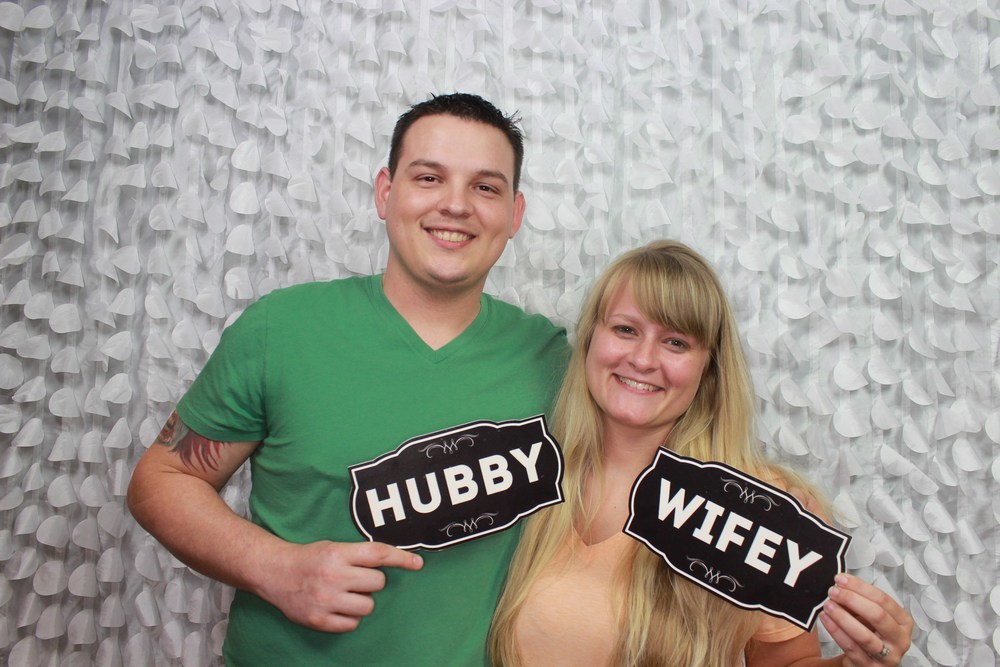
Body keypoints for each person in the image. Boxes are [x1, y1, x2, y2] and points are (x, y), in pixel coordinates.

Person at [127, 93, 569, 666]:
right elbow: (161, 479)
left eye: (485, 187)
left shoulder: (551, 360)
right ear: (385, 192)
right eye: (429, 178)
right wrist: (276, 567)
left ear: (514, 214)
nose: (456, 204)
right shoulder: (282, 330)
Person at [489, 240, 914, 667]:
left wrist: (858, 663)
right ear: (589, 340)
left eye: (675, 342)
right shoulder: (526, 473)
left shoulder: (759, 506)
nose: (643, 359)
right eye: (625, 330)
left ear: (708, 369)